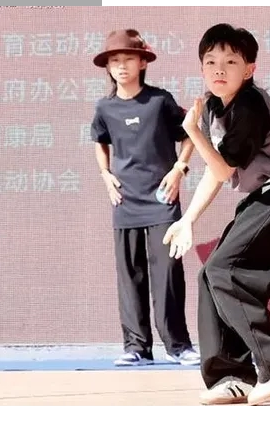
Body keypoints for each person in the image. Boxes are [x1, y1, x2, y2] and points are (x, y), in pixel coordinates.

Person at [162, 23, 270, 406]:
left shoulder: (249, 104)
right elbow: (216, 172)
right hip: (266, 198)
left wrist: (192, 132)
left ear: (249, 69)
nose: (219, 68)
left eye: (230, 61)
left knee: (224, 271)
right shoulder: (213, 108)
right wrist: (187, 220)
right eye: (210, 61)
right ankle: (232, 376)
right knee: (211, 275)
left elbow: (221, 170)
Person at [90, 29, 200, 367]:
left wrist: (179, 168)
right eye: (115, 61)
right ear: (108, 67)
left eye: (128, 59)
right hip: (125, 201)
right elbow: (100, 141)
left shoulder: (159, 101)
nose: (121, 66)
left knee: (167, 273)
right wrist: (106, 175)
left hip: (162, 199)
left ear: (142, 63)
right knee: (130, 275)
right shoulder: (105, 107)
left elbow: (190, 134)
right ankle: (136, 346)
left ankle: (178, 345)